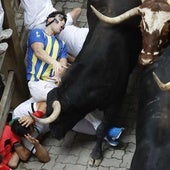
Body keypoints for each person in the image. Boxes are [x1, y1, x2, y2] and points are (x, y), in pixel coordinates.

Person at [20, 0, 89, 58]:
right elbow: (78, 11)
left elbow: (78, 10)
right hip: (49, 18)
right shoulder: (62, 23)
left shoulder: (42, 31)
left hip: (39, 21)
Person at [26, 11, 68, 102]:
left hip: (52, 83)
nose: (62, 24)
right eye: (60, 20)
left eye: (64, 25)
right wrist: (55, 63)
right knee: (62, 100)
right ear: (50, 19)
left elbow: (63, 64)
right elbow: (38, 51)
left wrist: (60, 74)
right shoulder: (37, 32)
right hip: (36, 82)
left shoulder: (62, 44)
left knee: (18, 112)